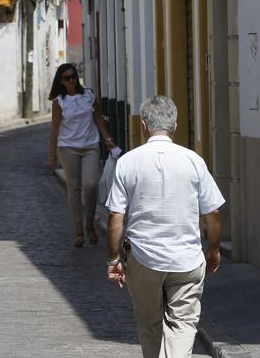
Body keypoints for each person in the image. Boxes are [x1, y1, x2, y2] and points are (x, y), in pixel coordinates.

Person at [104, 95, 225, 358]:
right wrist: (214, 247)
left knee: (149, 325)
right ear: (176, 126)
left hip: (143, 259)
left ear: (143, 126)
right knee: (182, 325)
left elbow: (115, 217)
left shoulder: (128, 162)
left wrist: (114, 259)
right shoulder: (193, 161)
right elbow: (213, 212)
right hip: (187, 258)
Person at [48, 63, 116, 247]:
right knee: (73, 189)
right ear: (61, 81)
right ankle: (79, 229)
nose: (71, 80)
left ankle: (90, 223)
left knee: (91, 185)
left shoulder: (89, 95)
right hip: (68, 147)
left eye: (73, 76)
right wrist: (52, 154)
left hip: (90, 146)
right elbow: (54, 128)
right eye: (67, 78)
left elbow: (99, 118)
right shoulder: (59, 101)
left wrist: (108, 139)